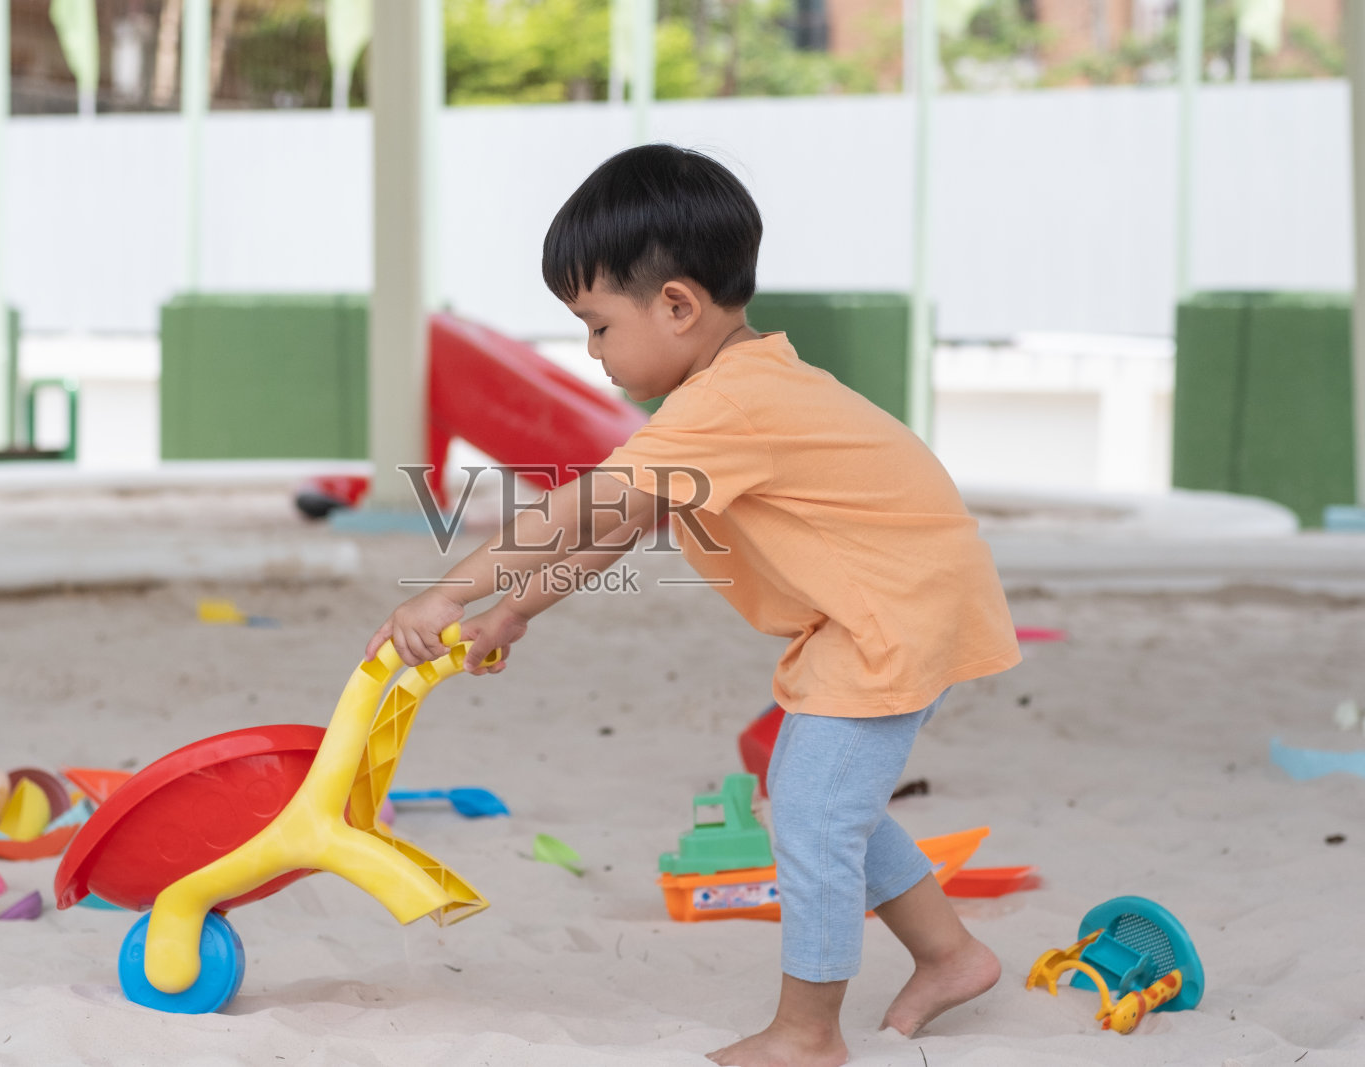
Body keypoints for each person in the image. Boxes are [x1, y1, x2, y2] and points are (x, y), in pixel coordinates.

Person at [365, 143, 1021, 1067]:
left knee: (815, 813)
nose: (591, 353)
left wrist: (451, 588)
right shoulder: (728, 391)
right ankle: (951, 955)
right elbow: (627, 521)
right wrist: (518, 612)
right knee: (818, 797)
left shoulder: (731, 405)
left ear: (677, 304)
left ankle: (807, 1035)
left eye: (596, 326)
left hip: (894, 612)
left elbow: (579, 507)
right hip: (884, 604)